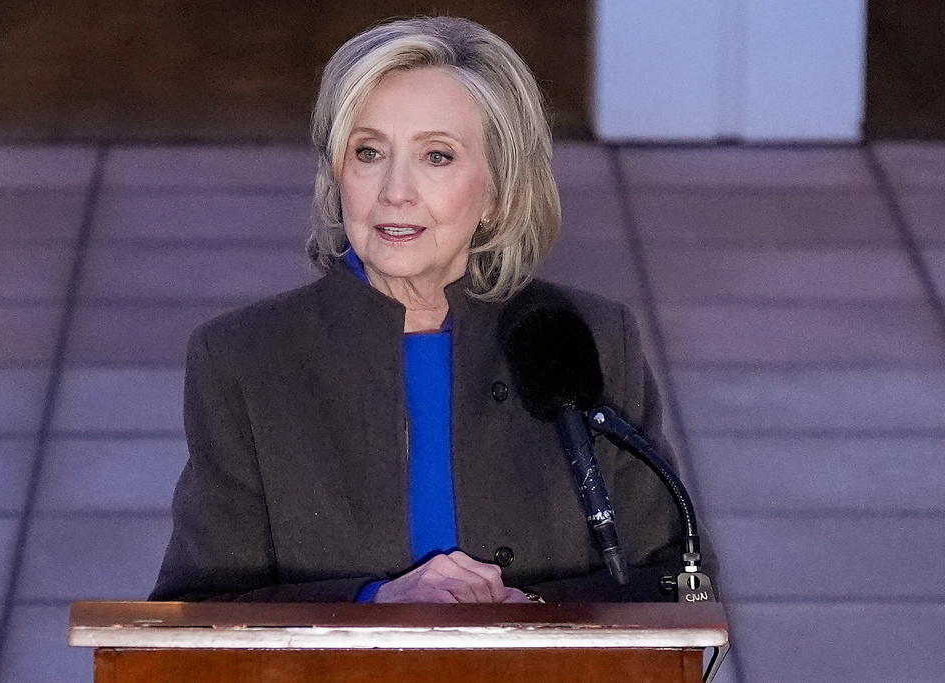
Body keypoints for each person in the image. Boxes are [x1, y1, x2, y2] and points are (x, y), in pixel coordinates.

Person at [150, 16, 696, 604]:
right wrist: (374, 609)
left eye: (437, 156)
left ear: (499, 191)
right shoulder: (245, 359)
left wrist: (534, 618)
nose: (395, 190)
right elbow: (197, 618)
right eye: (368, 151)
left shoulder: (586, 338)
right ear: (338, 176)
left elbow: (677, 580)